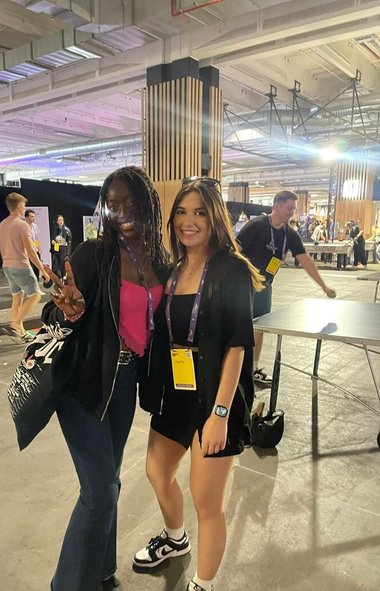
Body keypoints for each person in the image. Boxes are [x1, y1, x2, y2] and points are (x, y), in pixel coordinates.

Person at [41, 166, 169, 591]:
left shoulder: (159, 260)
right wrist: (69, 310)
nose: (121, 213)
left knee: (110, 482)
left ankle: (100, 569)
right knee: (98, 492)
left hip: (125, 384)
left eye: (130, 203)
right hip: (84, 383)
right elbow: (54, 312)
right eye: (113, 205)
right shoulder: (93, 254)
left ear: (148, 204)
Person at [133, 177, 263, 591]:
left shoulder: (232, 270)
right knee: (157, 471)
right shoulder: (172, 270)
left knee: (207, 501)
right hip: (175, 393)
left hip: (215, 397)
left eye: (200, 213)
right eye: (182, 212)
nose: (188, 222)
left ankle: (203, 584)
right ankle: (175, 539)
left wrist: (220, 414)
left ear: (215, 218)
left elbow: (238, 347)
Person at [236, 190, 336, 386]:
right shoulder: (256, 225)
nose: (291, 212)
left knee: (259, 327)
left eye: (293, 209)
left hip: (264, 287)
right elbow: (234, 250)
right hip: (243, 285)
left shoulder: (289, 234)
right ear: (276, 205)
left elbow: (305, 260)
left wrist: (324, 287)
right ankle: (233, 369)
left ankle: (253, 369)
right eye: (289, 208)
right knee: (239, 327)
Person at [0, 192, 50, 342]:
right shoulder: (22, 225)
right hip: (20, 266)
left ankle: (20, 332)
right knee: (35, 295)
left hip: (7, 266)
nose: (24, 208)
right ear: (19, 206)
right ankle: (15, 324)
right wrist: (42, 270)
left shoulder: (3, 224)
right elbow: (31, 251)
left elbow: (2, 247)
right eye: (24, 205)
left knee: (17, 297)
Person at [51, 214, 72, 279]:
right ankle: (58, 278)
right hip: (56, 248)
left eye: (62, 220)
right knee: (55, 266)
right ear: (57, 221)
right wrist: (53, 241)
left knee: (63, 266)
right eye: (59, 220)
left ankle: (63, 279)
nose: (61, 221)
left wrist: (67, 253)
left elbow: (69, 242)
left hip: (63, 249)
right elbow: (53, 238)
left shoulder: (67, 230)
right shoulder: (56, 230)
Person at [24, 208, 42, 280]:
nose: (33, 218)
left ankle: (36, 283)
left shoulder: (35, 226)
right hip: (27, 251)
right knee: (29, 269)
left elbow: (36, 239)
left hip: (35, 250)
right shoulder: (23, 226)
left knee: (37, 268)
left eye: (34, 216)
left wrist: (38, 248)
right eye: (31, 217)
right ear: (26, 217)